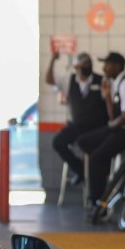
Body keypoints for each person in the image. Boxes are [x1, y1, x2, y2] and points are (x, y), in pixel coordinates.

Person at [44, 51, 108, 185]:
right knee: (58, 142)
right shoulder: (70, 80)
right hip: (78, 125)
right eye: (83, 64)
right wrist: (53, 60)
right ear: (76, 67)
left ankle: (94, 181)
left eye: (88, 63)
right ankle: (80, 169)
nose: (86, 66)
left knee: (90, 147)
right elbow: (49, 80)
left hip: (97, 128)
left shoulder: (102, 80)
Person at [76, 51, 125, 221]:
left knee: (97, 158)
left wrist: (113, 124)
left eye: (107, 64)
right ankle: (102, 166)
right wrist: (107, 98)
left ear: (117, 66)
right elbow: (113, 116)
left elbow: (123, 117)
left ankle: (98, 202)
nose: (104, 67)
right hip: (117, 129)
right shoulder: (115, 85)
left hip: (122, 132)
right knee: (84, 141)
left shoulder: (124, 84)